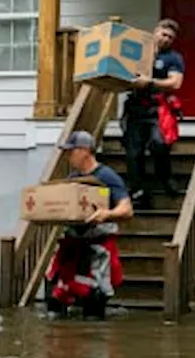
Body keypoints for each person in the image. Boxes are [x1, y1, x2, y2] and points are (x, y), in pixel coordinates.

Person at [43, 130, 134, 319]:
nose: (68, 156)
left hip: (97, 248)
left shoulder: (107, 176)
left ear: (85, 151)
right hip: (72, 246)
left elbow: (127, 209)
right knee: (55, 303)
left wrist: (106, 214)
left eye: (72, 151)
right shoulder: (73, 180)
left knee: (93, 305)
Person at [122, 18, 185, 206]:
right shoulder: (137, 53)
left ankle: (166, 178)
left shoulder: (173, 58)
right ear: (155, 32)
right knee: (133, 153)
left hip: (157, 108)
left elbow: (176, 83)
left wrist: (150, 82)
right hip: (134, 108)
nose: (166, 39)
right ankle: (140, 192)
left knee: (159, 144)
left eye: (170, 37)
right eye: (163, 34)